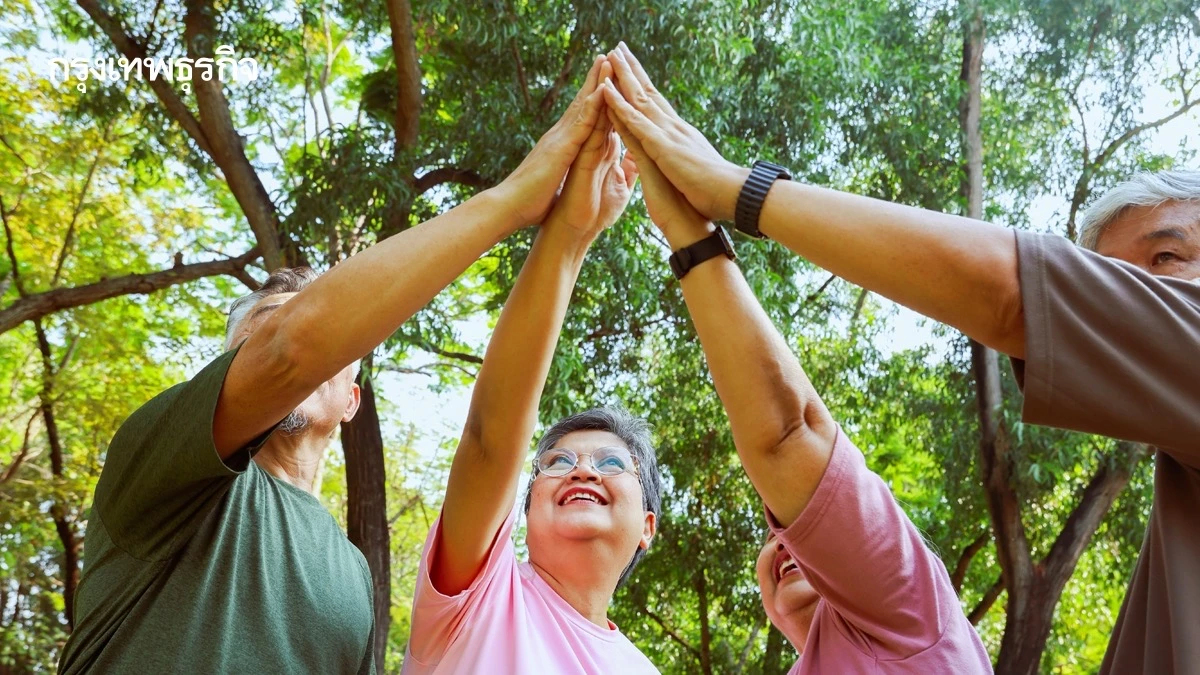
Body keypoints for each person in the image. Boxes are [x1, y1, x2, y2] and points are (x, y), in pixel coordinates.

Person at [601, 41, 1200, 674]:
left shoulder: (913, 620)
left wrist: (729, 193)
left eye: (1166, 258)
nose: (1136, 302)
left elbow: (793, 437)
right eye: (1114, 279)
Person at [57, 54, 618, 674]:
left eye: (334, 346)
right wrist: (516, 199)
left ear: (353, 401)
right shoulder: (166, 468)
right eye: (259, 328)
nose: (290, 335)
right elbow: (293, 352)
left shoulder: (352, 574)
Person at [601, 48, 992, 673]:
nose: (784, 538)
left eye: (802, 523)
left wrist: (697, 230)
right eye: (785, 531)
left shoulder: (916, 613)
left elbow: (788, 439)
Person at [401, 57, 664, 675]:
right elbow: (492, 437)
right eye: (555, 463)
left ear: (646, 525)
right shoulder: (481, 595)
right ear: (522, 513)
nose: (581, 470)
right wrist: (569, 236)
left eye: (610, 463)